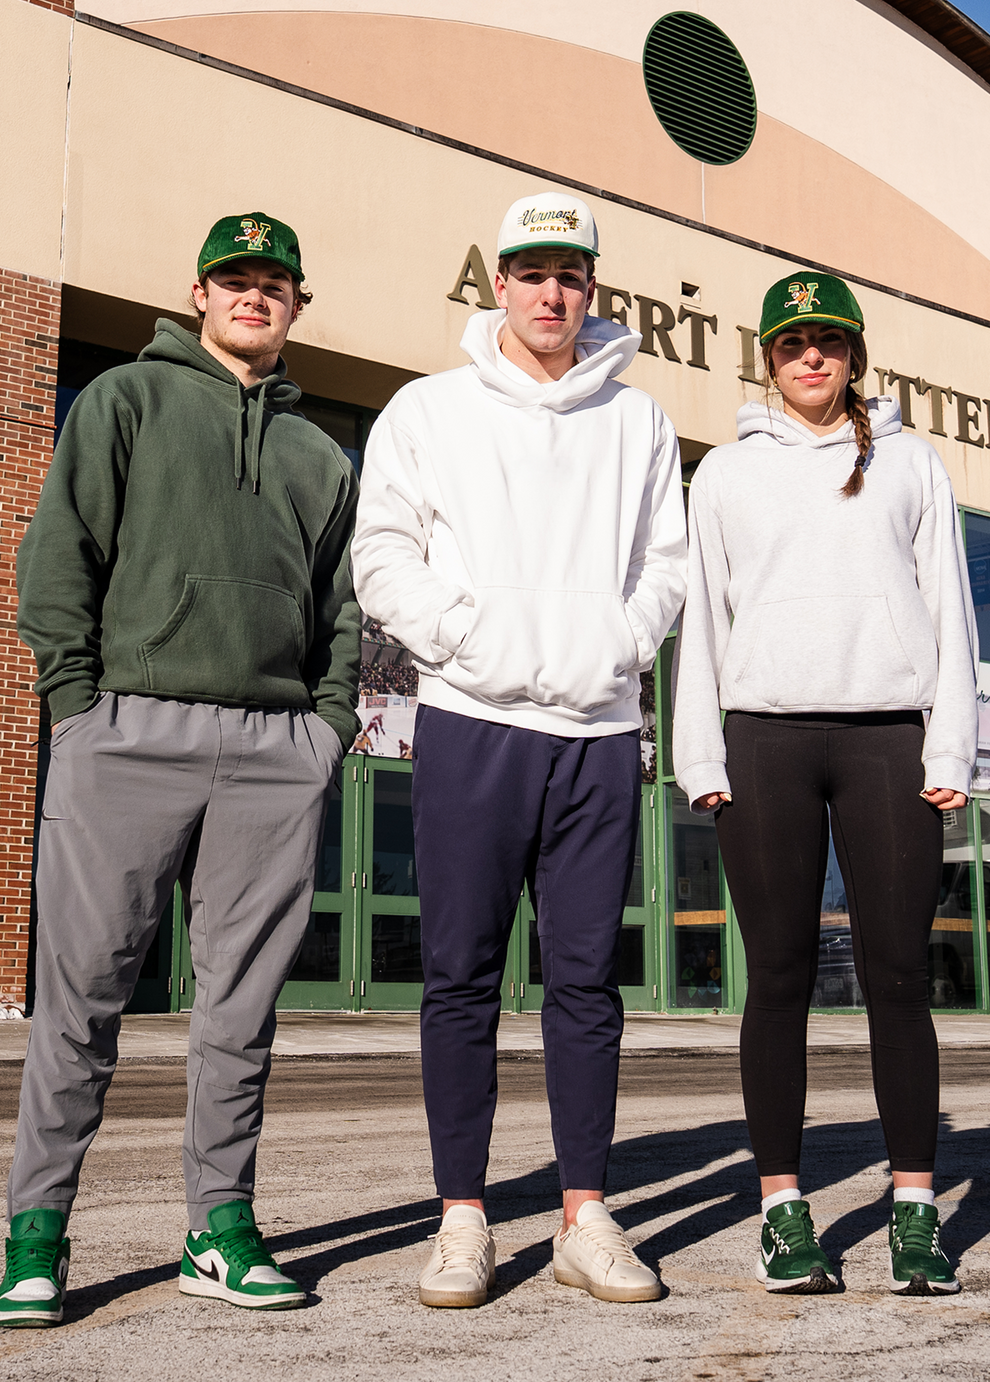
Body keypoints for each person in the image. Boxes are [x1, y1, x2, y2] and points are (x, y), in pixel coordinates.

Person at [0, 213, 360, 1326]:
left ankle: (220, 1225)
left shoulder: (318, 454)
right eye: (234, 279)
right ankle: (37, 1232)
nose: (254, 297)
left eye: (274, 283)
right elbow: (60, 557)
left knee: (239, 1009)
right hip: (127, 733)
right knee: (81, 997)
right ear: (198, 293)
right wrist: (77, 709)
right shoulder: (125, 401)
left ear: (297, 303)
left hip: (271, 751)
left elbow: (343, 608)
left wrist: (325, 725)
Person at [353, 192, 687, 1307]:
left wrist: (615, 645)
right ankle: (461, 1218)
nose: (553, 292)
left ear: (592, 289)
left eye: (572, 274)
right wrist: (466, 637)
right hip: (472, 720)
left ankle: (583, 1215)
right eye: (532, 271)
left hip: (596, 729)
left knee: (584, 981)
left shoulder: (635, 420)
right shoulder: (426, 409)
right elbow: (383, 552)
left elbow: (668, 566)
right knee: (460, 977)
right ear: (496, 281)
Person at [672, 270, 978, 1297]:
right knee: (779, 979)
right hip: (763, 740)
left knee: (896, 974)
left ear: (855, 355)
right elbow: (699, 625)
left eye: (830, 341)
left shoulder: (909, 463)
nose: (811, 356)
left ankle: (911, 1211)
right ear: (768, 354)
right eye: (793, 340)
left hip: (887, 741)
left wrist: (948, 749)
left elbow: (948, 605)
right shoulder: (723, 472)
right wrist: (698, 755)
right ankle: (782, 1209)